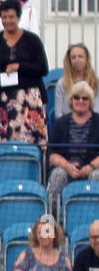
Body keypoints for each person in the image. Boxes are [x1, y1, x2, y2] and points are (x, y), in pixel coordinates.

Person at [0, 0, 50, 147]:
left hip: (29, 100)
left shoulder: (32, 40)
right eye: (4, 17)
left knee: (31, 143)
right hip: (3, 100)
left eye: (11, 17)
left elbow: (43, 68)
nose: (8, 20)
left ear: (18, 17)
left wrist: (19, 66)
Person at [45, 83, 99, 213]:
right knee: (58, 175)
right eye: (76, 97)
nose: (80, 101)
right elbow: (51, 153)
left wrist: (91, 167)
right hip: (66, 169)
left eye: (85, 98)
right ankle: (54, 218)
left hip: (91, 168)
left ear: (90, 102)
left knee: (97, 175)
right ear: (71, 100)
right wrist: (66, 165)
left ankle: (93, 215)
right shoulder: (61, 123)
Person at [57, 43, 99, 121]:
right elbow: (58, 113)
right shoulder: (62, 83)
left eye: (80, 56)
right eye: (73, 57)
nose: (77, 60)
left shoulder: (96, 82)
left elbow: (97, 109)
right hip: (67, 126)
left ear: (87, 59)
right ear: (70, 61)